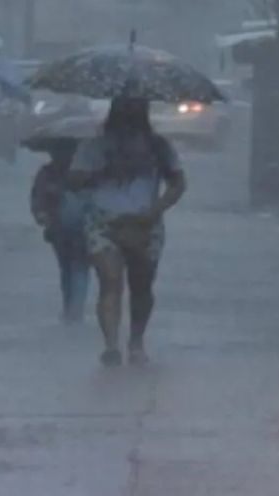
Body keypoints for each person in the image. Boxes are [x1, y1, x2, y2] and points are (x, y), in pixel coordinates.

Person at [70, 96, 187, 366]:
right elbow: (75, 180)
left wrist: (156, 209)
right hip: (103, 222)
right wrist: (102, 171)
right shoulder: (95, 147)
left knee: (141, 285)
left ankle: (136, 342)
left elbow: (178, 182)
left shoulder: (159, 147)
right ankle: (111, 345)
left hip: (145, 223)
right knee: (110, 281)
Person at [30, 140, 90, 323]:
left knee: (77, 266)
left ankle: (74, 309)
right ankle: (71, 307)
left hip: (82, 228)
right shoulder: (47, 173)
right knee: (69, 268)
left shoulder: (86, 172)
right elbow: (38, 199)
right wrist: (42, 215)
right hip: (60, 229)